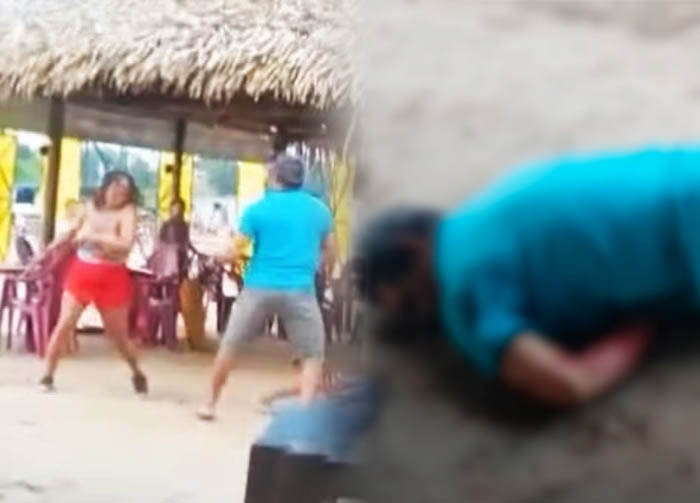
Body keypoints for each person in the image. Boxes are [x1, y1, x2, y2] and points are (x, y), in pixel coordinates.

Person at [354, 145, 700, 409]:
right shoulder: (498, 199)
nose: (429, 319)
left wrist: (638, 324)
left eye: (412, 303)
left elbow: (569, 383)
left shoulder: (460, 290)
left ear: (409, 246)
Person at [197, 155, 334, 420]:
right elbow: (330, 253)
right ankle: (304, 418)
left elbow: (234, 250)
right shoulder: (320, 211)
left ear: (275, 178)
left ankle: (209, 404)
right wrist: (317, 267)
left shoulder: (258, 209)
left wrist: (216, 257)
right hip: (300, 290)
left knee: (230, 345)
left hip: (258, 288)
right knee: (312, 355)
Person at [38, 170, 148, 394]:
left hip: (112, 275)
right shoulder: (89, 207)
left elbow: (125, 243)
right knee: (64, 323)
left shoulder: (127, 212)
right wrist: (49, 249)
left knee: (118, 336)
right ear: (105, 187)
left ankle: (136, 371)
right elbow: (71, 231)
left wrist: (94, 237)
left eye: (124, 193)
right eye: (115, 190)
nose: (118, 196)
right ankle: (47, 375)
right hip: (83, 271)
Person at [158, 197, 190, 276]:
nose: (176, 212)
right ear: (171, 210)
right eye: (174, 209)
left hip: (181, 256)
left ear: (182, 211)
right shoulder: (166, 224)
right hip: (167, 256)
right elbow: (160, 241)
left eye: (179, 209)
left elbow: (186, 242)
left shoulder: (184, 225)